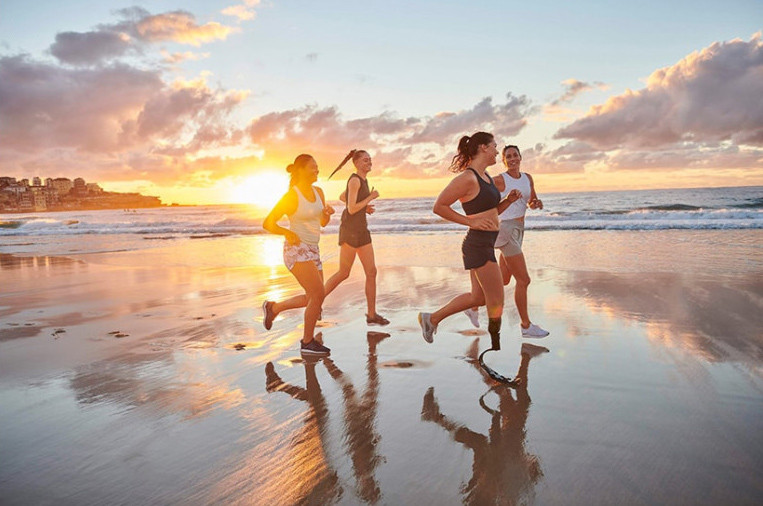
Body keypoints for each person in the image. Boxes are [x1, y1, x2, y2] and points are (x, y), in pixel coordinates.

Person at [417, 132, 520, 358]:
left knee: (478, 299)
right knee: (496, 301)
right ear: (483, 147)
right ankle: (494, 352)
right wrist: (469, 221)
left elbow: (491, 213)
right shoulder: (468, 178)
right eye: (494, 146)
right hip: (477, 245)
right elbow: (439, 206)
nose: (496, 150)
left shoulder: (486, 177)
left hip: (486, 243)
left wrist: (507, 202)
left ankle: (431, 319)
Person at [463, 145, 549, 338]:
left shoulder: (528, 178)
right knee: (524, 280)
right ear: (503, 160)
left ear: (520, 157)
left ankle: (474, 305)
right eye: (507, 156)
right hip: (506, 231)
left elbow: (531, 200)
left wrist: (536, 203)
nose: (512, 159)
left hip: (519, 229)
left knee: (503, 279)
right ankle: (526, 326)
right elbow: (481, 193)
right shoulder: (500, 180)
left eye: (515, 155)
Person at [261, 154, 334, 355]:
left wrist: (326, 214)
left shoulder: (318, 192)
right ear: (301, 170)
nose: (317, 170)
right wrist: (287, 232)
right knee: (318, 294)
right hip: (296, 249)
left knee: (314, 296)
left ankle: (274, 309)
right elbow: (268, 223)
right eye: (313, 167)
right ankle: (307, 342)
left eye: (318, 167)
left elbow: (322, 223)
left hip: (313, 248)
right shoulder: (291, 196)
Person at [323, 149, 389, 325]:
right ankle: (316, 301)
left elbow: (343, 197)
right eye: (366, 160)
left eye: (370, 160)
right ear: (357, 163)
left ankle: (372, 315)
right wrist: (370, 198)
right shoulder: (354, 180)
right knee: (343, 273)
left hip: (362, 230)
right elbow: (351, 209)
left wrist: (364, 206)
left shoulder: (363, 181)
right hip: (350, 230)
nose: (369, 163)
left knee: (372, 272)